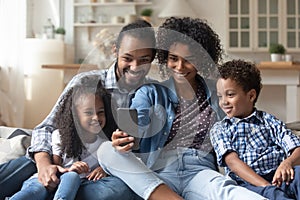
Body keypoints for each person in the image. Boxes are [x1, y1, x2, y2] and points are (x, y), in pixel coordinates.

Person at [98, 17, 266, 200]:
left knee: (232, 193)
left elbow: (242, 124)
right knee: (106, 151)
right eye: (173, 58)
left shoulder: (217, 92)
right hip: (158, 174)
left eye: (188, 60)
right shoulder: (150, 92)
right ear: (165, 58)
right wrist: (124, 137)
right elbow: (138, 123)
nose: (179, 67)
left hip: (200, 170)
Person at [0, 19, 156, 199]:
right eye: (127, 58)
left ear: (152, 59)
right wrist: (44, 165)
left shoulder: (154, 93)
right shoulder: (85, 82)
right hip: (60, 156)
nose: (135, 67)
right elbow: (46, 127)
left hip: (98, 172)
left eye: (144, 60)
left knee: (120, 190)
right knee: (28, 162)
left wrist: (110, 166)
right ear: (115, 51)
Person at [10, 75, 122, 200]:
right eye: (89, 113)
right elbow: (56, 167)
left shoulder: (105, 143)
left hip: (74, 186)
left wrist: (103, 169)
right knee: (41, 188)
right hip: (48, 180)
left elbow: (112, 162)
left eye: (100, 112)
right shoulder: (61, 136)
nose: (96, 117)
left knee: (73, 178)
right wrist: (71, 170)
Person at [210, 59, 300, 200]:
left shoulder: (269, 121)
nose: (224, 101)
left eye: (230, 95)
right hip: (249, 183)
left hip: (279, 175)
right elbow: (233, 162)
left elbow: (296, 148)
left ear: (251, 95)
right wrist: (265, 185)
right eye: (220, 96)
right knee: (274, 195)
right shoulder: (220, 129)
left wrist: (287, 163)